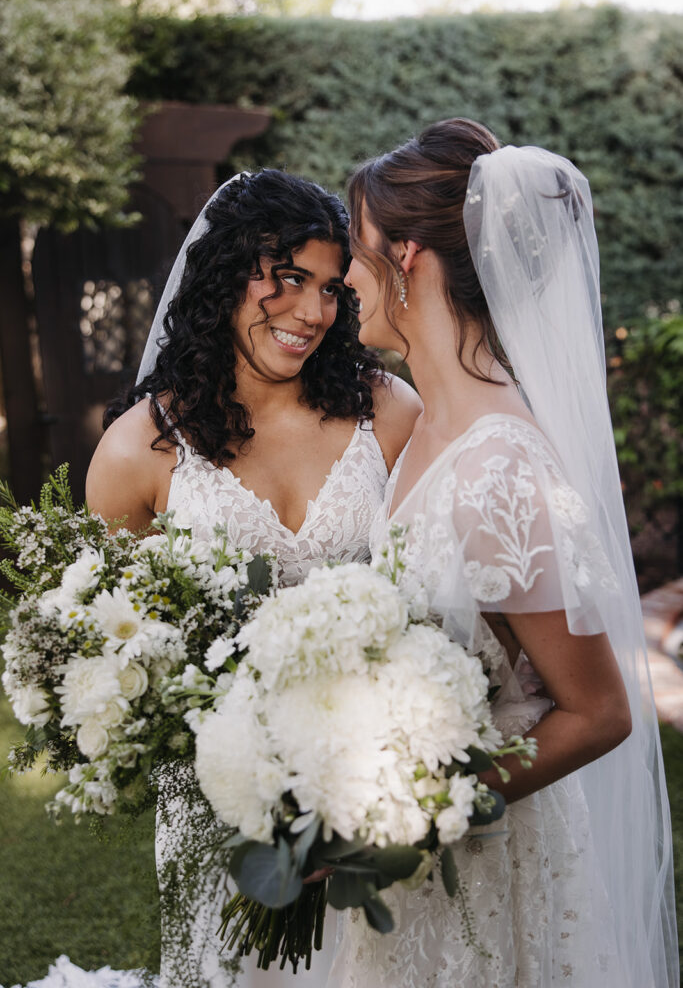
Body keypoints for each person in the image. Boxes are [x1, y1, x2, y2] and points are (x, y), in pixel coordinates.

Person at [330, 118, 679, 987]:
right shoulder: (422, 423)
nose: (338, 275)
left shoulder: (502, 467)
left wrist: (418, 814)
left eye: (351, 246)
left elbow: (597, 712)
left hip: (480, 866)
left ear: (405, 255)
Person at [84, 168, 421, 988]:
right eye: (289, 279)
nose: (312, 312)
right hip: (222, 808)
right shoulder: (138, 454)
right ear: (224, 275)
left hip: (373, 789)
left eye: (333, 289)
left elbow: (433, 595)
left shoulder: (391, 413)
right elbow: (122, 656)